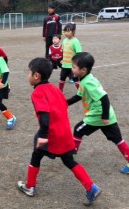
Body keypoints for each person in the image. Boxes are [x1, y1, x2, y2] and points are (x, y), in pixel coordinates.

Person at [17, 57, 101, 206]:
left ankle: (30, 186)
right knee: (69, 161)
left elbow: (45, 118)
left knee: (36, 155)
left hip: (51, 134)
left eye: (28, 72)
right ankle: (91, 187)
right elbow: (61, 106)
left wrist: (43, 135)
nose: (27, 75)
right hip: (64, 133)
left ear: (36, 76)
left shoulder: (37, 93)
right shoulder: (54, 88)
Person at [67, 52, 129, 174]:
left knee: (78, 129)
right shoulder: (85, 79)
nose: (72, 69)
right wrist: (65, 103)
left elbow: (104, 98)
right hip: (108, 114)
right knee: (117, 139)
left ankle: (70, 155)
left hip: (98, 115)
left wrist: (104, 116)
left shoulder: (88, 82)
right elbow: (79, 96)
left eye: (74, 67)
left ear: (83, 69)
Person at [59, 23, 81, 91]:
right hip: (65, 65)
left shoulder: (76, 41)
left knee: (75, 79)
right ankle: (60, 92)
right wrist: (61, 59)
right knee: (62, 78)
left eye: (68, 31)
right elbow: (63, 51)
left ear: (73, 32)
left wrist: (76, 64)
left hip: (72, 66)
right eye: (65, 31)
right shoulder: (64, 41)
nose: (66, 33)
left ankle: (80, 92)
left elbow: (79, 54)